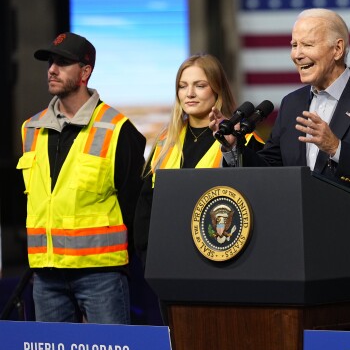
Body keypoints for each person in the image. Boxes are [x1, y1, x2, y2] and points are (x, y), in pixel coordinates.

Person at [209, 8, 350, 331]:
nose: (296, 54)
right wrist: (235, 148)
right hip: (296, 265)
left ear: (337, 49)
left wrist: (336, 148)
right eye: (293, 45)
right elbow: (272, 168)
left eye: (306, 45)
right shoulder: (292, 104)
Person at [17, 32, 146, 324]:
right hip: (46, 275)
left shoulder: (117, 129)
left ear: (85, 72)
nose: (52, 69)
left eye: (63, 62)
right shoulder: (30, 129)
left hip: (100, 275)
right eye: (51, 62)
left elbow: (132, 203)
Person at [134, 53, 263, 267]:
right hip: (169, 262)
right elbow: (145, 208)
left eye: (200, 85)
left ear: (217, 89)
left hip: (223, 262)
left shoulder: (245, 141)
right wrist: (150, 257)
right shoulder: (165, 142)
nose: (189, 94)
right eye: (183, 86)